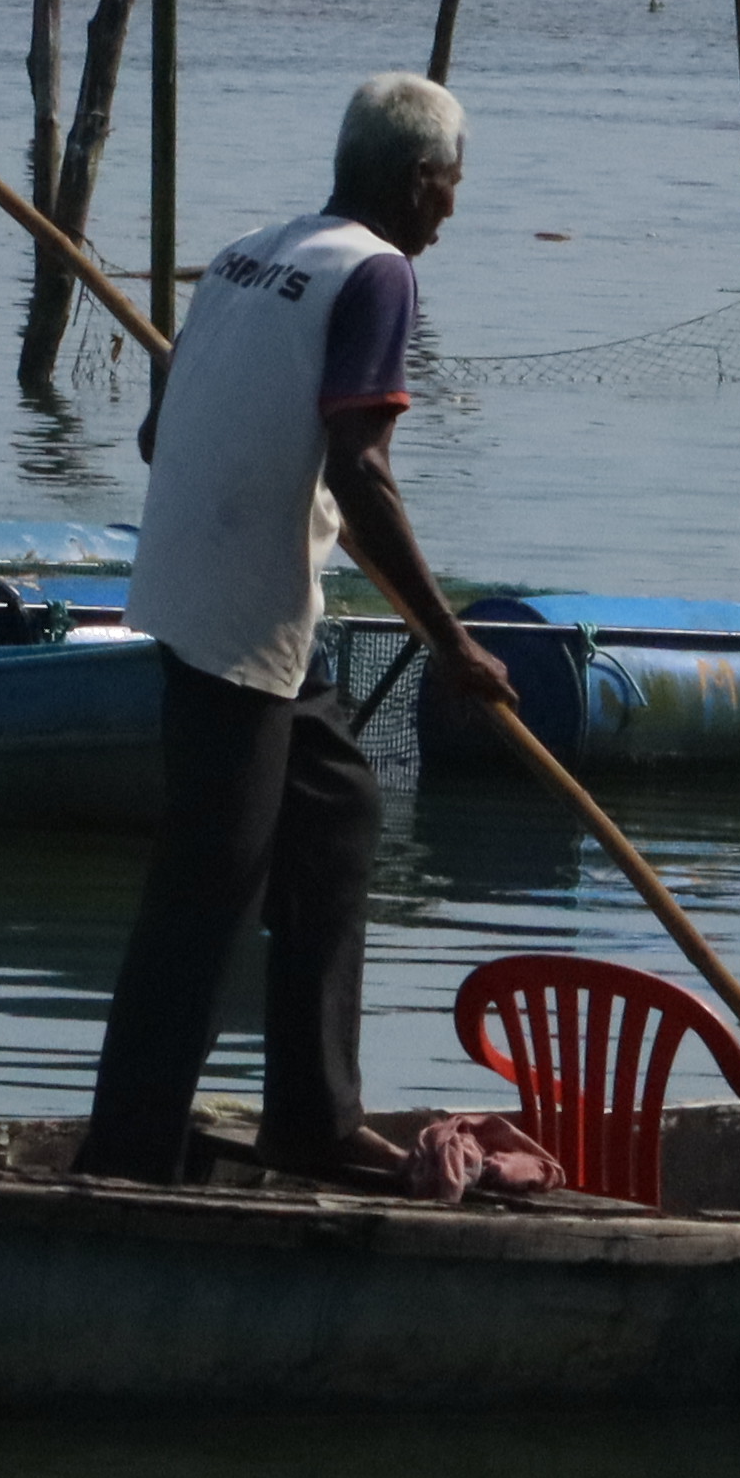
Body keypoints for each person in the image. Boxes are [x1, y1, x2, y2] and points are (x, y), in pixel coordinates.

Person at [79, 73, 516, 1189]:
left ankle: (311, 1119)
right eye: (452, 186)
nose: (453, 211)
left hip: (200, 587)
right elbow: (360, 471)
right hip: (241, 614)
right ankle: (127, 1160)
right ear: (420, 180)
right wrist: (450, 641)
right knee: (209, 886)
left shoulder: (248, 252)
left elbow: (152, 432)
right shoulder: (378, 275)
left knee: (337, 811)